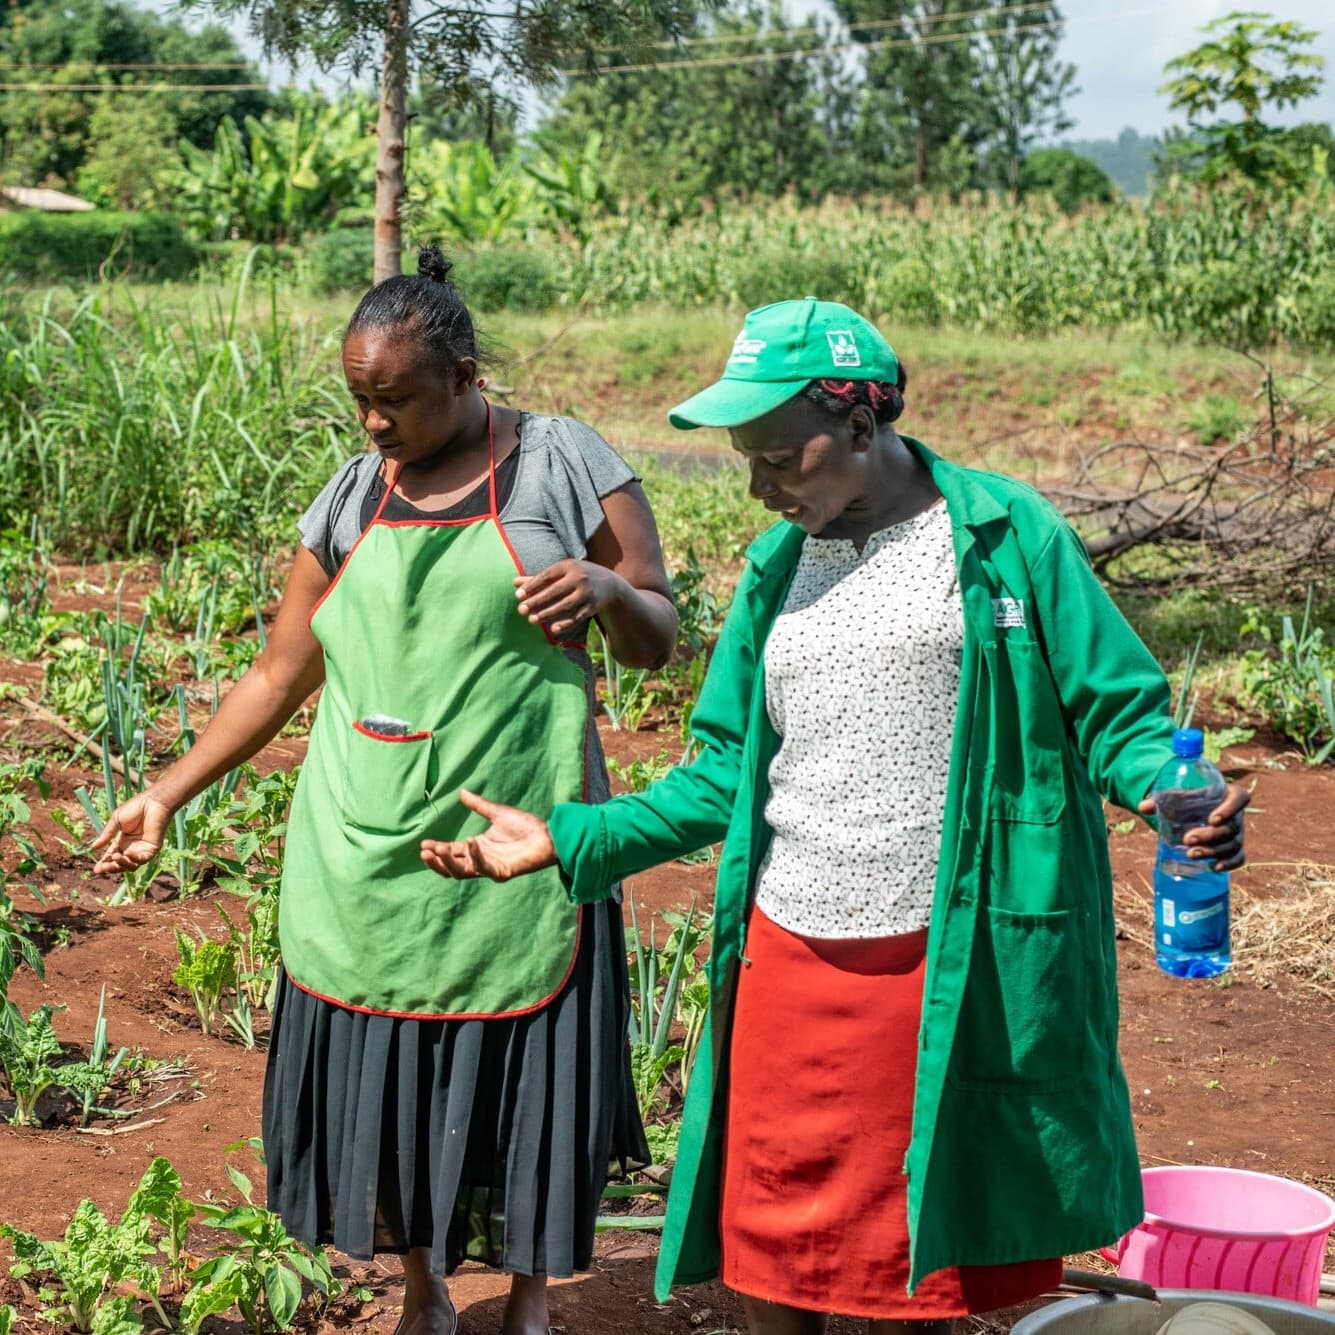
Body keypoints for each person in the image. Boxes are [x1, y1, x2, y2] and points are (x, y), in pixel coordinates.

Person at [418, 298, 1251, 1335]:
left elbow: (1117, 710)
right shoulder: (777, 570)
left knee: (908, 1259)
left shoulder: (1001, 537)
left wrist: (1172, 796)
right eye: (746, 463)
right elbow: (723, 771)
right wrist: (569, 834)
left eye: (778, 457)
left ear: (861, 426)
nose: (762, 488)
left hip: (939, 965)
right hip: (789, 960)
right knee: (774, 1252)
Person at [90, 247, 679, 1335]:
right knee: (402, 1075)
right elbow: (279, 671)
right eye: (360, 398)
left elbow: (659, 632)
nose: (374, 422)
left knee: (520, 1078)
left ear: (464, 376)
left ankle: (533, 1302)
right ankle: (425, 1293)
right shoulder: (356, 494)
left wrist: (604, 588)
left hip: (522, 834)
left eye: (396, 398)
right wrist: (167, 793)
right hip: (368, 847)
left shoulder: (560, 465)